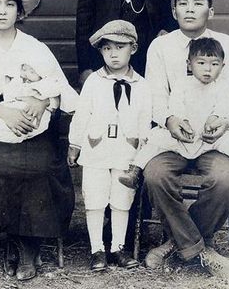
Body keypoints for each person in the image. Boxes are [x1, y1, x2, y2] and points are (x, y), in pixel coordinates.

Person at [0, 0, 79, 281]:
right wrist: (3, 112)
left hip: (35, 127)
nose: (2, 11)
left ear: (19, 11)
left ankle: (29, 246)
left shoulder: (35, 47)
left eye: (10, 4)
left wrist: (44, 103)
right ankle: (13, 241)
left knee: (40, 169)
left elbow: (61, 89)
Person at [141, 0, 229, 279]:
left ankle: (176, 243)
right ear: (173, 10)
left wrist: (225, 121)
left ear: (210, 11)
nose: (190, 9)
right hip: (175, 138)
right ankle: (201, 250)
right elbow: (155, 94)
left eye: (198, 3)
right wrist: (169, 121)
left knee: (225, 179)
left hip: (214, 139)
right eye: (183, 3)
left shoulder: (226, 45)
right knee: (155, 173)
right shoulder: (161, 46)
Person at [120, 37, 229, 200]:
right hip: (182, 136)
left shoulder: (222, 87)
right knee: (155, 142)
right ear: (189, 64)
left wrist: (214, 118)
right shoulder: (182, 84)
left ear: (222, 66)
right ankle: (134, 172)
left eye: (214, 64)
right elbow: (176, 105)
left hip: (209, 139)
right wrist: (183, 121)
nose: (207, 69)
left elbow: (224, 106)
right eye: (201, 63)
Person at [67, 20, 152, 272]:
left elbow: (145, 122)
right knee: (94, 198)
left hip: (127, 151)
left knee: (121, 199)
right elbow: (82, 114)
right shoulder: (94, 81)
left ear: (133, 48)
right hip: (96, 148)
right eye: (107, 49)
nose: (113, 54)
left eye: (120, 47)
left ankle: (117, 247)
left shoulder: (142, 85)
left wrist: (142, 154)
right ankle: (97, 249)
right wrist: (75, 143)